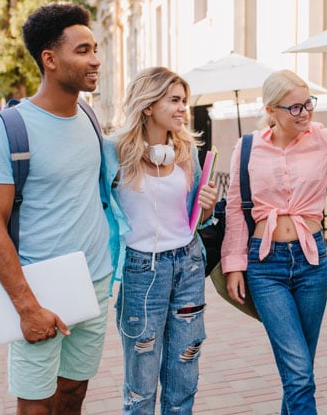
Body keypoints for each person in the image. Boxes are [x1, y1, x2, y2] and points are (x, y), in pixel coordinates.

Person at [0, 3, 113, 414]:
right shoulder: (9, 128)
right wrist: (27, 307)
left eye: (95, 48)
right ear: (50, 60)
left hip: (96, 281)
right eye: (83, 50)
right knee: (36, 403)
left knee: (73, 392)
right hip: (40, 289)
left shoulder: (89, 117)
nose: (95, 59)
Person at [221, 69, 327, 414]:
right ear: (271, 110)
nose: (305, 113)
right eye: (294, 108)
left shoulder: (322, 137)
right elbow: (235, 206)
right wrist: (234, 265)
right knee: (298, 374)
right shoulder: (247, 147)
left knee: (300, 370)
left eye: (308, 104)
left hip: (312, 264)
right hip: (266, 268)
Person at [108, 66, 218, 414]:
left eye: (184, 101)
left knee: (184, 376)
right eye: (174, 100)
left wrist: (206, 207)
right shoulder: (114, 152)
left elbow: (195, 220)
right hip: (142, 272)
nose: (183, 108)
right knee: (140, 387)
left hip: (187, 265)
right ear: (148, 104)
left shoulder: (188, 153)